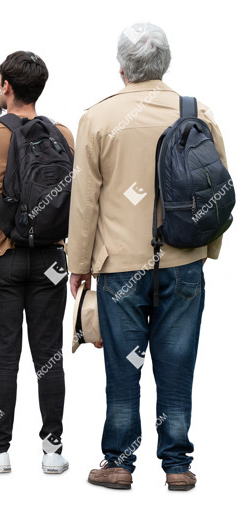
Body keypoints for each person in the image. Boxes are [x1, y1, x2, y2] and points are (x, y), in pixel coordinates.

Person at [68, 23, 227, 491]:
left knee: (124, 364)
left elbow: (84, 200)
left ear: (122, 68)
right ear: (165, 63)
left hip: (120, 267)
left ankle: (118, 462)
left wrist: (79, 264)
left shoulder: (97, 119)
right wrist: (207, 250)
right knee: (178, 364)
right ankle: (177, 465)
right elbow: (218, 187)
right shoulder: (197, 112)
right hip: (183, 262)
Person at [0, 51, 73, 474]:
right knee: (49, 354)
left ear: (4, 85)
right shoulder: (63, 135)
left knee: (4, 355)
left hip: (1, 255)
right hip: (52, 258)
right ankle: (53, 450)